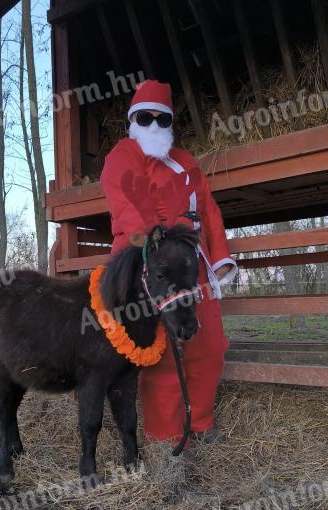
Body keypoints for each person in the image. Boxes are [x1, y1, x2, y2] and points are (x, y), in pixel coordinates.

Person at [100, 80, 237, 443]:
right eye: (145, 117)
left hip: (193, 266)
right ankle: (165, 437)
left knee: (210, 346)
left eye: (162, 119)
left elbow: (208, 211)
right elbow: (128, 212)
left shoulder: (186, 161)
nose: (154, 125)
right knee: (161, 357)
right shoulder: (122, 156)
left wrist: (221, 257)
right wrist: (156, 252)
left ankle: (201, 423)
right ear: (132, 121)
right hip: (150, 268)